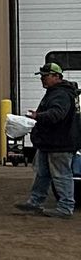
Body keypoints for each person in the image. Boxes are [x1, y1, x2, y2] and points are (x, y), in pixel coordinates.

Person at [17, 62, 77, 219]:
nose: (42, 79)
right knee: (43, 174)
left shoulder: (61, 94)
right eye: (42, 76)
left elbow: (57, 115)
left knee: (61, 175)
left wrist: (38, 116)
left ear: (57, 76)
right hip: (49, 143)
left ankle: (65, 207)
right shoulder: (55, 92)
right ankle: (35, 202)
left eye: (45, 76)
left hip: (59, 144)